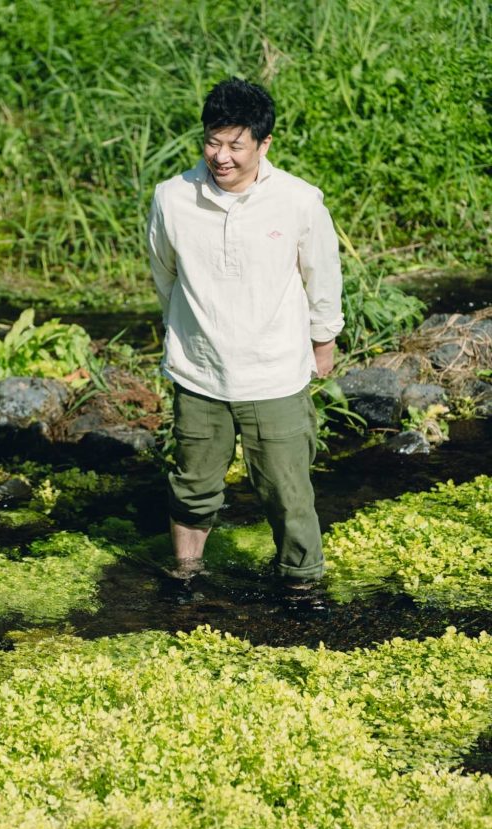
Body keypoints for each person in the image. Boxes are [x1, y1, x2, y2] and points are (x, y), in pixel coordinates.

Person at [146, 76, 343, 589]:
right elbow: (164, 275)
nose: (222, 156)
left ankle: (303, 585)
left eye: (236, 144)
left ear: (263, 144)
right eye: (213, 141)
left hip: (274, 373)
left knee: (287, 490)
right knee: (192, 486)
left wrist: (324, 340)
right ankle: (187, 575)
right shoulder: (172, 198)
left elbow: (321, 273)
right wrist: (188, 331)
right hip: (200, 371)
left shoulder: (299, 201)